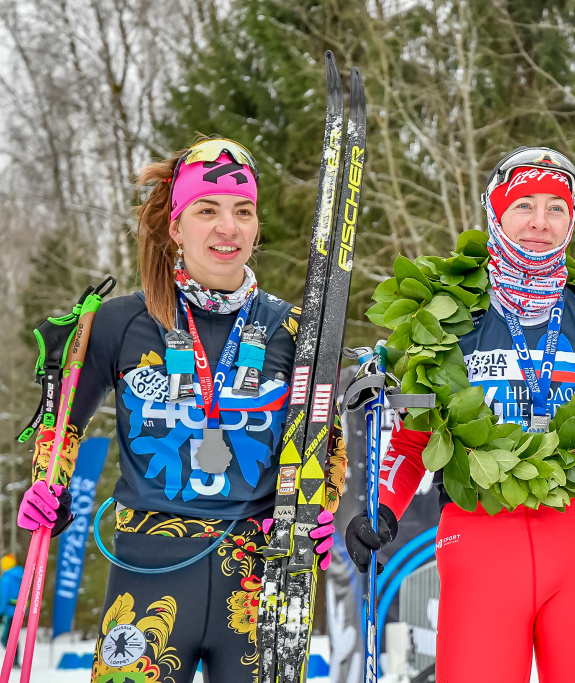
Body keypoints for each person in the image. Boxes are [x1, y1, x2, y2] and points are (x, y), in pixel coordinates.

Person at [345, 147, 575, 682]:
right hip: (482, 542)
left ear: (571, 221)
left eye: (556, 208)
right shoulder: (450, 315)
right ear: (496, 215)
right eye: (524, 205)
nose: (539, 223)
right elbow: (415, 442)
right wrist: (381, 509)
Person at [15, 138, 346, 683]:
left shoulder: (296, 332)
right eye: (207, 210)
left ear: (256, 226)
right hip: (149, 571)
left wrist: (320, 507)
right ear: (176, 226)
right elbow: (63, 421)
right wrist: (48, 488)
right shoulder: (120, 324)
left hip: (259, 578)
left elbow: (324, 439)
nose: (228, 228)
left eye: (243, 211)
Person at [0, 553, 22, 662]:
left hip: (9, 612)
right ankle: (15, 659)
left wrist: (1, 612)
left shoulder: (6, 578)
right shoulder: (21, 575)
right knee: (13, 637)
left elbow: (3, 597)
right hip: (19, 611)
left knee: (5, 638)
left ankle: (13, 660)